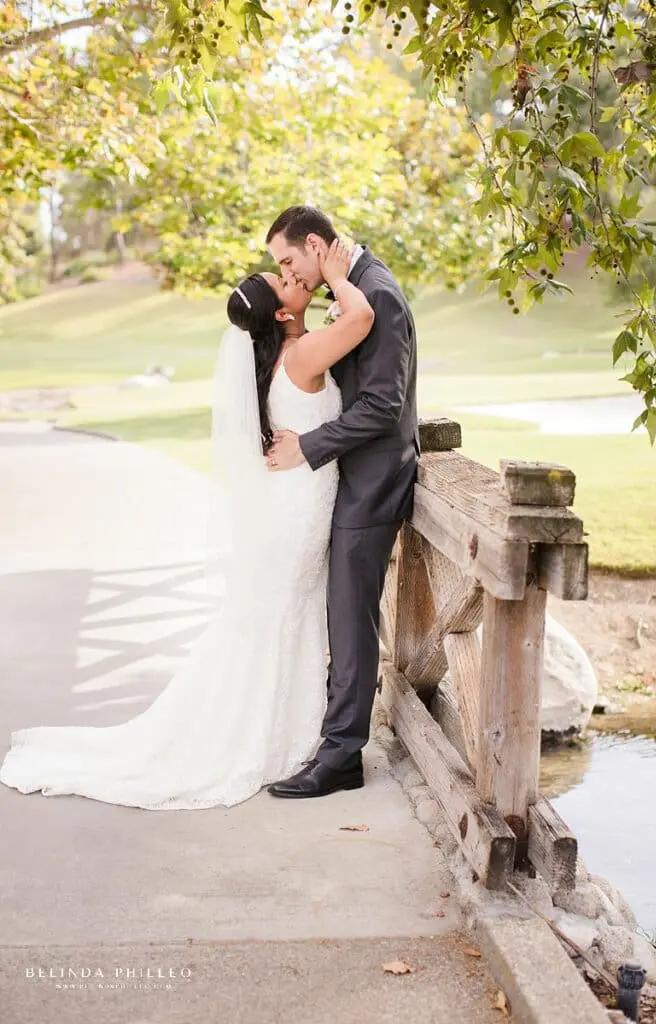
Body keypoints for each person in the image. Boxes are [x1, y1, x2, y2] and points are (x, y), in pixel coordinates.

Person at [0, 240, 376, 810]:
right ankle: (274, 737)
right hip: (297, 512)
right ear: (281, 314)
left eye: (286, 268)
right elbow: (364, 316)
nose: (291, 276)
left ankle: (288, 733)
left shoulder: (283, 355)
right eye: (283, 281)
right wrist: (334, 271)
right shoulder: (300, 357)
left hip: (294, 506)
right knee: (282, 619)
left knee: (280, 620)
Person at [264, 206, 419, 800]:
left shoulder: (380, 293)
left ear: (312, 244)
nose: (286, 272)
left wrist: (308, 447)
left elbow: (383, 407)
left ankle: (341, 757)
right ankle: (334, 740)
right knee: (340, 611)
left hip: (374, 479)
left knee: (351, 615)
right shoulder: (353, 288)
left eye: (286, 260)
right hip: (350, 475)